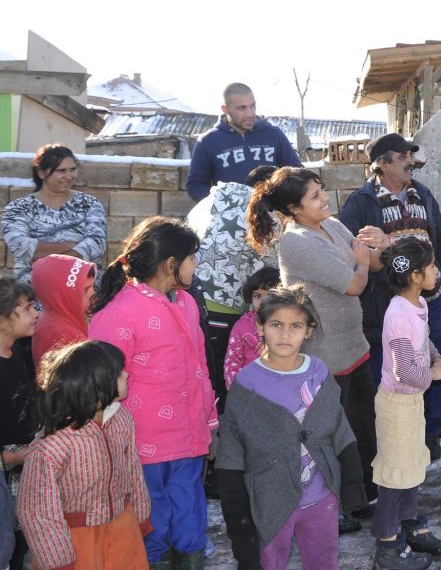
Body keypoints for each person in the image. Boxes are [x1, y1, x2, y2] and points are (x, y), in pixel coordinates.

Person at [247, 167, 379, 517]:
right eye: (315, 196)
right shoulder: (296, 242)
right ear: (293, 208)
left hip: (355, 347)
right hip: (324, 357)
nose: (325, 200)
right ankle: (336, 507)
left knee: (362, 426)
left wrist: (380, 245)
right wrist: (363, 262)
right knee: (333, 436)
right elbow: (354, 283)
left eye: (322, 190)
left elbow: (370, 259)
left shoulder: (332, 226)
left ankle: (361, 495)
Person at [88, 217, 217, 570]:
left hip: (188, 436)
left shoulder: (187, 303)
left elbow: (200, 365)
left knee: (191, 509)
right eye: (193, 257)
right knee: (150, 516)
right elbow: (100, 383)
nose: (197, 265)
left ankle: (190, 560)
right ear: (170, 264)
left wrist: (208, 417)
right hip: (142, 443)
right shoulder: (119, 313)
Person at [217, 285, 365, 570]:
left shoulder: (318, 372)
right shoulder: (247, 383)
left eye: (295, 325)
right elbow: (231, 455)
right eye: (276, 325)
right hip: (269, 504)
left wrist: (352, 486)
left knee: (324, 562)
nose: (285, 334)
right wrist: (239, 522)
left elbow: (340, 428)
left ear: (308, 330)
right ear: (260, 326)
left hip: (321, 499)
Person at [339, 133, 441, 462]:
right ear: (382, 164)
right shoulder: (361, 202)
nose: (410, 161)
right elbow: (354, 253)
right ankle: (393, 437)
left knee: (435, 362)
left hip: (430, 302)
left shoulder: (424, 194)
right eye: (402, 156)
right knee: (394, 370)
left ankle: (430, 433)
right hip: (388, 306)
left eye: (411, 155)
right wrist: (390, 257)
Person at [16, 340, 151, 570]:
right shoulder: (54, 445)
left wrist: (141, 516)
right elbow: (38, 511)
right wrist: (58, 560)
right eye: (119, 373)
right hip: (77, 544)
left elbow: (133, 472)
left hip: (122, 533)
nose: (127, 375)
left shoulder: (121, 419)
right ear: (96, 387)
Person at [372, 238, 441, 570]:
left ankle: (407, 525)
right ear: (417, 275)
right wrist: (434, 373)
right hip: (397, 408)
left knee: (412, 468)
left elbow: (424, 340)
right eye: (432, 266)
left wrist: (435, 357)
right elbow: (404, 371)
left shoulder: (416, 304)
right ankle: (387, 547)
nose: (437, 271)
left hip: (410, 404)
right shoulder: (399, 315)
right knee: (395, 477)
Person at [187, 164, 279, 413]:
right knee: (223, 374)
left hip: (194, 297)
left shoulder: (215, 198)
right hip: (227, 307)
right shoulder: (264, 216)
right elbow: (275, 264)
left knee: (205, 369)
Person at [1, 144, 106, 284]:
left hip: (84, 289)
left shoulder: (89, 203)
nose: (69, 176)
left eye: (72, 169)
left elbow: (97, 243)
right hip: (36, 291)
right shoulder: (17, 209)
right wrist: (70, 245)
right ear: (41, 173)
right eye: (61, 171)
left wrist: (51, 262)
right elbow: (22, 248)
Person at [186, 83, 302, 201]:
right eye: (242, 108)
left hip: (273, 214)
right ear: (225, 109)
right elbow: (195, 184)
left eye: (252, 106)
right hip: (231, 217)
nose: (250, 113)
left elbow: (297, 173)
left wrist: (282, 199)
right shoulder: (208, 141)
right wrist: (219, 204)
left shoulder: (274, 134)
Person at [0, 279, 40, 570]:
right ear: (3, 319)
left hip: (25, 466)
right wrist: (14, 457)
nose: (36, 313)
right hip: (7, 469)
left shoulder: (20, 352)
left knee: (19, 543)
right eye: (27, 309)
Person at [29, 255, 97, 366]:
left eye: (93, 287)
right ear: (62, 296)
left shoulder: (55, 317)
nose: (93, 294)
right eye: (85, 291)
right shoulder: (66, 339)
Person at [222, 266, 280, 390]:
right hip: (247, 393)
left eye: (270, 295)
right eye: (258, 296)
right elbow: (232, 364)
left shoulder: (288, 327)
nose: (263, 301)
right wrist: (236, 393)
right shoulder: (242, 326)